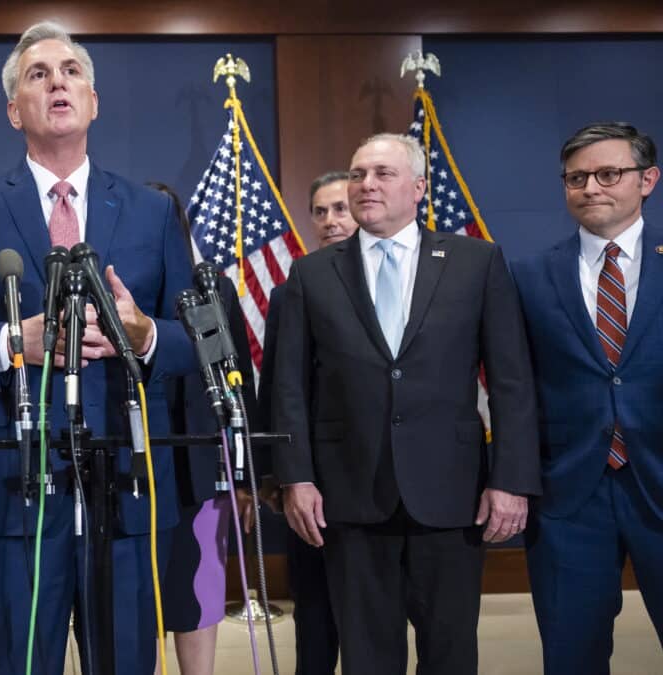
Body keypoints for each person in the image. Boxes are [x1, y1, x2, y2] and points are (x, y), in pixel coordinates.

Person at [0, 21, 196, 674]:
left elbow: (198, 345)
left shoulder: (150, 212)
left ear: (92, 101)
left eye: (70, 72)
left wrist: (143, 335)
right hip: (11, 493)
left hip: (126, 486)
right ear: (14, 111)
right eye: (37, 74)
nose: (56, 81)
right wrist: (12, 341)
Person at [272, 133, 541, 675]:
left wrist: (512, 480)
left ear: (419, 187)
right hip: (349, 497)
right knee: (368, 656)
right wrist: (294, 477)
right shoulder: (311, 274)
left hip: (452, 497)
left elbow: (512, 381)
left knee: (451, 652)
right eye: (357, 174)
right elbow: (288, 388)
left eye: (382, 174)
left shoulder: (476, 261)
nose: (365, 184)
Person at [510, 122, 663, 675]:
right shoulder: (529, 276)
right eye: (576, 178)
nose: (591, 187)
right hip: (569, 497)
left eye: (607, 174)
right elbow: (516, 389)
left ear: (647, 179)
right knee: (572, 656)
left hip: (661, 484)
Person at [152, 182, 260, 675]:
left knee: (197, 593)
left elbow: (239, 387)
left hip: (201, 467)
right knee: (139, 602)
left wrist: (244, 476)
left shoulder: (211, 285)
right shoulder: (106, 283)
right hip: (133, 465)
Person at [260, 171, 359, 675]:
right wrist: (273, 472)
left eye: (340, 208)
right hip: (312, 481)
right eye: (320, 211)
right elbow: (277, 387)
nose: (329, 221)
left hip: (381, 480)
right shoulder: (289, 290)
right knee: (315, 616)